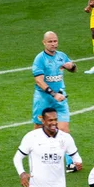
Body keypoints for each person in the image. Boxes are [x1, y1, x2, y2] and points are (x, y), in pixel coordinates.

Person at [32, 31, 79, 172]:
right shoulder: (40, 59)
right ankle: (35, 157)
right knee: (38, 130)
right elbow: (39, 81)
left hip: (60, 99)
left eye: (55, 41)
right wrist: (53, 94)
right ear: (44, 43)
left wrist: (72, 66)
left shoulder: (61, 56)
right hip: (43, 99)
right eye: (50, 41)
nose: (53, 44)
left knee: (64, 130)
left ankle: (71, 163)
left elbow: (73, 68)